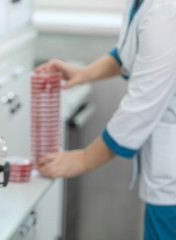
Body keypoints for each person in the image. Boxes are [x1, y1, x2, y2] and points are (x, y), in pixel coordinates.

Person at [35, 0, 176, 239]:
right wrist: (85, 73)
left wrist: (83, 158)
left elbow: (140, 108)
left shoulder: (166, 9)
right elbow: (131, 51)